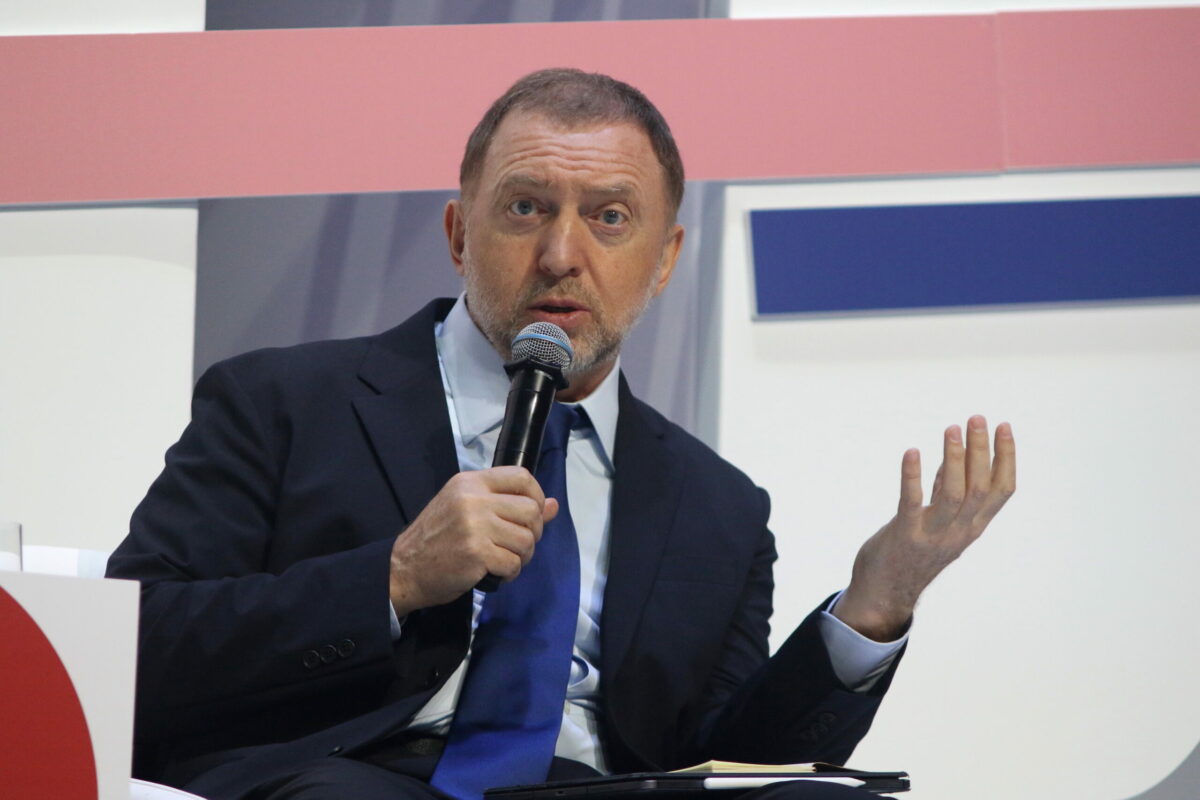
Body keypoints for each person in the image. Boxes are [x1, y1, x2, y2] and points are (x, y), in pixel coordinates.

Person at [107, 69, 1016, 800]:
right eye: (525, 208)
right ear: (459, 234)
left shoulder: (719, 508)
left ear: (665, 259)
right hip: (350, 776)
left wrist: (871, 611)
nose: (560, 255)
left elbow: (731, 762)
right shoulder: (283, 402)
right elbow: (134, 648)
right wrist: (393, 577)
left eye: (609, 217)